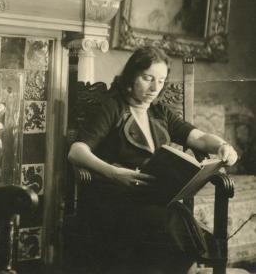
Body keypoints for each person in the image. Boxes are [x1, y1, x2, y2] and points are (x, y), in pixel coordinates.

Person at [68, 46, 238, 274]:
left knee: (177, 220)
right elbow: (76, 151)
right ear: (131, 77)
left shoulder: (159, 112)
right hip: (115, 198)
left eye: (161, 80)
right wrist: (114, 173)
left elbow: (198, 137)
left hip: (154, 199)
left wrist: (223, 146)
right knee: (166, 224)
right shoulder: (113, 107)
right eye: (147, 78)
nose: (155, 87)